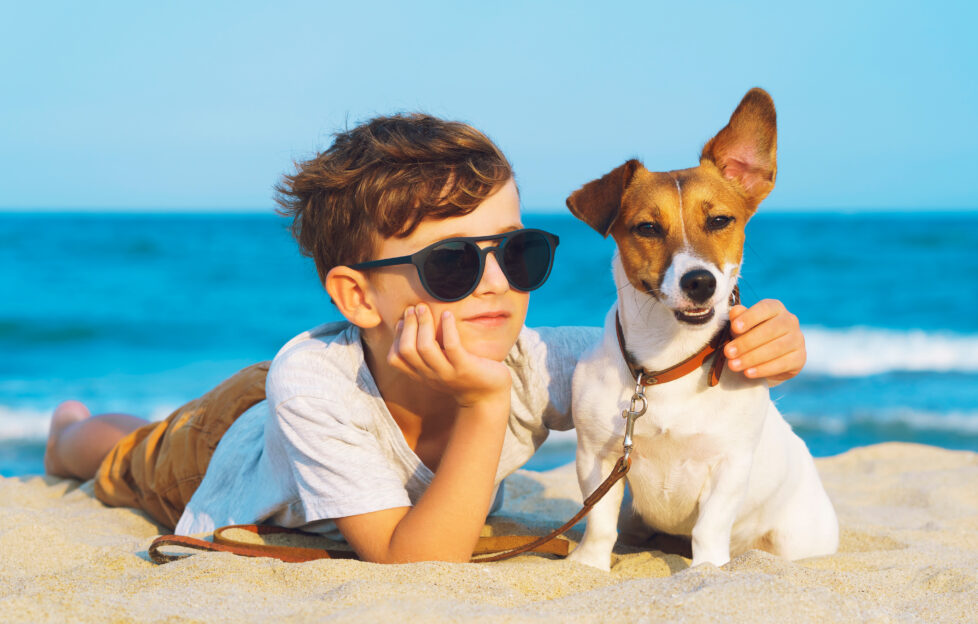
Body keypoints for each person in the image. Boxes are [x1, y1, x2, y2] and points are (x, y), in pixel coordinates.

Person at [44, 114, 807, 563]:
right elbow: (414, 564)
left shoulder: (545, 361)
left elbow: (662, 367)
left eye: (517, 253)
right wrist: (483, 407)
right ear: (356, 295)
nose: (496, 285)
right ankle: (68, 429)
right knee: (126, 457)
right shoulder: (316, 387)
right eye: (449, 265)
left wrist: (770, 339)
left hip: (313, 415)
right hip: (236, 438)